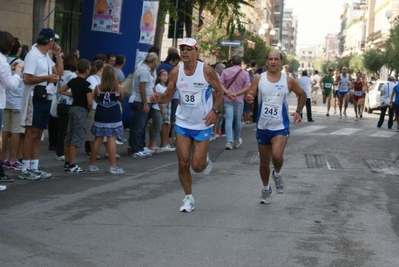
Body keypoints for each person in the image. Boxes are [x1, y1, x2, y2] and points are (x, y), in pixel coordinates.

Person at [150, 38, 224, 213]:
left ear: (196, 51)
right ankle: (188, 198)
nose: (184, 52)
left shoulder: (206, 71)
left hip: (202, 124)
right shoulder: (176, 72)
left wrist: (214, 110)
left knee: (197, 167)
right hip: (182, 123)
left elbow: (219, 91)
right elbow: (168, 96)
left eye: (188, 49)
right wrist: (158, 98)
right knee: (183, 163)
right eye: (182, 48)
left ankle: (204, 161)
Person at [245, 51, 306, 204]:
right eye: (270, 59)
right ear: (266, 62)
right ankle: (266, 189)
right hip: (263, 125)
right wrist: (249, 97)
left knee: (277, 156)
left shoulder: (289, 81)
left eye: (276, 59)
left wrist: (299, 111)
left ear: (281, 62)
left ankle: (277, 174)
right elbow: (250, 93)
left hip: (280, 125)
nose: (273, 62)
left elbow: (302, 94)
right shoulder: (259, 79)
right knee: (264, 162)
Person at [19, 28, 64, 180]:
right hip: (34, 97)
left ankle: (34, 165)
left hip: (45, 96)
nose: (55, 43)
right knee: (31, 132)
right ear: (49, 41)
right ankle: (25, 167)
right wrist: (47, 78)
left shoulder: (45, 56)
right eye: (54, 41)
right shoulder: (33, 55)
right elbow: (27, 78)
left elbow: (59, 71)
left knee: (39, 133)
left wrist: (58, 56)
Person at [0, 31, 25, 186]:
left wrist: (9, 67)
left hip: (4, 104)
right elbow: (12, 85)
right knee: (11, 133)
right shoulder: (2, 62)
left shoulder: (3, 62)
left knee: (4, 134)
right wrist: (17, 72)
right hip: (3, 103)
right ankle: (9, 162)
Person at [89, 65, 124, 173]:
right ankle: (113, 166)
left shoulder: (98, 88)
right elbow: (121, 98)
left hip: (101, 113)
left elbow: (96, 98)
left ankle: (92, 164)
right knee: (111, 138)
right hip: (113, 114)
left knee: (98, 138)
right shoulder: (118, 87)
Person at [59, 59, 92, 173]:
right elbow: (90, 101)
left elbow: (61, 90)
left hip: (72, 109)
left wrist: (72, 94)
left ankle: (67, 163)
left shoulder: (73, 81)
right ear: (87, 70)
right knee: (76, 137)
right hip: (81, 110)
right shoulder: (86, 84)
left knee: (69, 135)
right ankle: (72, 164)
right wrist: (89, 108)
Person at [129, 52, 159, 158]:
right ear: (153, 61)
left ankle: (139, 147)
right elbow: (142, 88)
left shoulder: (143, 69)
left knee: (139, 126)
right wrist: (145, 104)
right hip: (140, 101)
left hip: (141, 101)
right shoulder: (144, 71)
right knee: (139, 126)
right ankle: (136, 149)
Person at [219, 55, 251, 149]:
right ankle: (236, 140)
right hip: (239, 100)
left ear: (232, 62)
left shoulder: (225, 71)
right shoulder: (244, 73)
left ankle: (229, 141)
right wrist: (236, 93)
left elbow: (220, 84)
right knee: (237, 121)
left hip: (228, 99)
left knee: (229, 120)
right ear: (240, 63)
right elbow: (247, 86)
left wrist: (228, 92)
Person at [54, 55, 78, 161]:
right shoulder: (73, 76)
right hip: (68, 104)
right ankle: (61, 152)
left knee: (61, 129)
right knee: (67, 130)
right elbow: (74, 91)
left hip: (60, 103)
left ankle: (59, 150)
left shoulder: (61, 74)